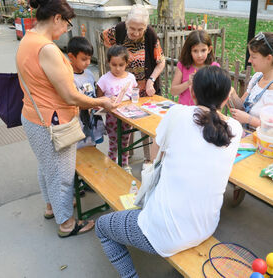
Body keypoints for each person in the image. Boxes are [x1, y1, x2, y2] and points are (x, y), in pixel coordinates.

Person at [95, 66, 242, 278]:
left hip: (163, 233)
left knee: (103, 227)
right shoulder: (236, 129)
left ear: (192, 92)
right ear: (227, 97)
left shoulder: (177, 114)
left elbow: (153, 158)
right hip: (207, 226)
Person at [16, 0, 116, 238]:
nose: (66, 30)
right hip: (53, 122)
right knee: (61, 174)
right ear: (57, 18)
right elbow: (70, 96)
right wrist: (100, 101)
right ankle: (68, 225)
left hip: (33, 116)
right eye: (67, 24)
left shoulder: (27, 40)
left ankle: (52, 208)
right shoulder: (47, 49)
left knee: (46, 166)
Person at [101, 4, 165, 166]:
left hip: (145, 90)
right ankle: (125, 157)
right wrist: (117, 64)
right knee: (125, 124)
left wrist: (151, 80)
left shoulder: (150, 35)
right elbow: (106, 41)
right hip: (124, 90)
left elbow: (161, 62)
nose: (136, 33)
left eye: (140, 29)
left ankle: (148, 159)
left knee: (146, 127)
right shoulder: (117, 30)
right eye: (132, 28)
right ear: (126, 23)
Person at [229, 32, 273, 128]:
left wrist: (249, 119)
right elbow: (242, 108)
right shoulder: (258, 77)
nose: (249, 60)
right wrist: (232, 94)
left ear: (269, 58)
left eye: (253, 57)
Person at [96, 45, 138, 173]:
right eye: (114, 65)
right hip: (112, 118)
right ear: (108, 62)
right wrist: (107, 101)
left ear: (126, 63)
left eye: (121, 64)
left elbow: (135, 94)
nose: (118, 68)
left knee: (125, 143)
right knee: (114, 143)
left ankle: (124, 165)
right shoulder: (104, 79)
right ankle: (112, 166)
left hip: (128, 117)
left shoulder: (130, 77)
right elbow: (98, 100)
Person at [67, 36, 105, 148]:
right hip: (78, 122)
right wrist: (96, 103)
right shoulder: (68, 77)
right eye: (84, 59)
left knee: (92, 146)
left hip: (92, 118)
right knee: (80, 150)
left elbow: (93, 94)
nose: (88, 62)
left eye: (89, 58)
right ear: (71, 57)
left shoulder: (89, 73)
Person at [170, 30, 220, 105]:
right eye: (195, 51)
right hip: (186, 110)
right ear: (190, 51)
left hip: (204, 112)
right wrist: (188, 83)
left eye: (203, 50)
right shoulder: (183, 66)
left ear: (209, 49)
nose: (199, 55)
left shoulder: (214, 67)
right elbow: (173, 91)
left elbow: (219, 93)